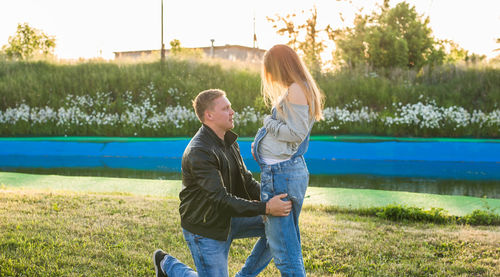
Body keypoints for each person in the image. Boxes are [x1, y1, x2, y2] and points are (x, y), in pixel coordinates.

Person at [153, 89, 292, 277]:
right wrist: (266, 208)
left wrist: (272, 200)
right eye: (226, 108)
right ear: (209, 115)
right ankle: (166, 264)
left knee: (281, 223)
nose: (232, 111)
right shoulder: (199, 152)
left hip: (230, 216)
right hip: (206, 227)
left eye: (230, 107)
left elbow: (247, 181)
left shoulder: (228, 140)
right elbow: (220, 200)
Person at [251, 44, 324, 276]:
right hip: (281, 172)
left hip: (281, 175)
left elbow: (295, 133)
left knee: (284, 251)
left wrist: (267, 123)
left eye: (269, 71)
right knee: (274, 239)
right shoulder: (299, 88)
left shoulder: (296, 90)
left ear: (279, 67)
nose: (269, 77)